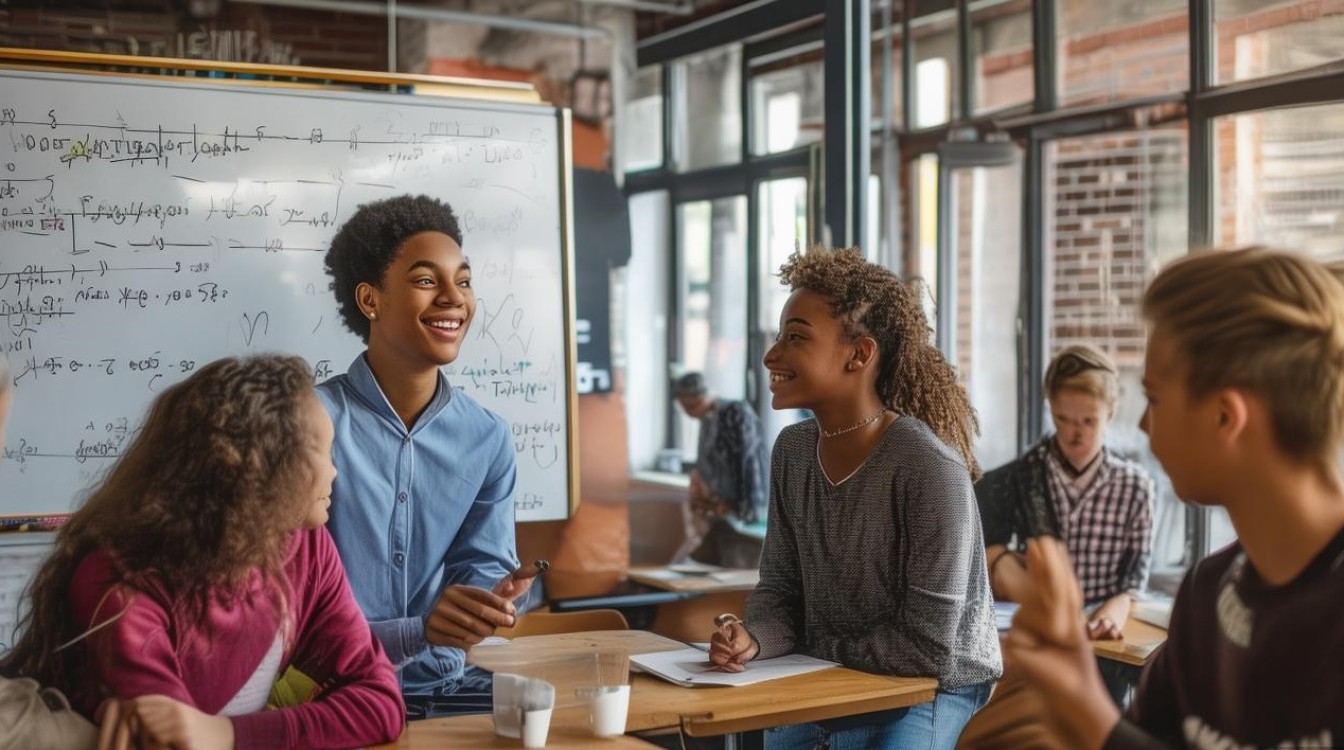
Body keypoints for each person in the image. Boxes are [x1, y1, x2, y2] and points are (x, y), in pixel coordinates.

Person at [1006, 247, 1344, 749]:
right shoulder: (1206, 593)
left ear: (1226, 417)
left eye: (1156, 399)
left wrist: (1088, 716)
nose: (1144, 426)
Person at [0, 355, 404, 750]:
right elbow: (172, 739)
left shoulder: (305, 545)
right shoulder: (120, 581)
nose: (335, 472)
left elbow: (381, 703)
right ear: (263, 464)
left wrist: (228, 735)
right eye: (323, 451)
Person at [708, 246, 1001, 750]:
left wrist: (807, 644)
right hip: (831, 673)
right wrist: (756, 639)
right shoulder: (793, 451)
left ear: (859, 354)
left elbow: (927, 648)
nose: (771, 355)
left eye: (795, 337)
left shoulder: (929, 467)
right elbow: (779, 588)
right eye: (778, 336)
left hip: (932, 688)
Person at [319, 194, 533, 718]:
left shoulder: (487, 437)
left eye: (462, 280)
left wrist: (489, 601)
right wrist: (417, 631)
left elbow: (483, 567)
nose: (452, 299)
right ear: (370, 300)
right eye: (424, 280)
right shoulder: (308, 421)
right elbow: (285, 610)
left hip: (444, 686)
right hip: (326, 689)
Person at [976, 345, 1154, 704]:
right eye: (1063, 420)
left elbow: (1132, 583)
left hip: (1103, 647)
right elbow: (987, 557)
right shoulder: (1019, 478)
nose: (1075, 434)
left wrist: (1110, 614)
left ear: (1111, 413)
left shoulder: (1136, 488)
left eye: (1089, 421)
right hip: (1038, 640)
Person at [670, 371, 768, 569]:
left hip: (741, 511)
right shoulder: (707, 419)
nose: (688, 412)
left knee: (737, 567)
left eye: (690, 406)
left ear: (701, 396)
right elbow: (706, 462)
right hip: (717, 510)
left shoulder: (735, 412)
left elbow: (750, 463)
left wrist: (746, 510)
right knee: (702, 561)